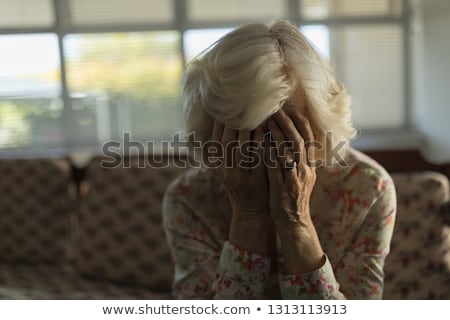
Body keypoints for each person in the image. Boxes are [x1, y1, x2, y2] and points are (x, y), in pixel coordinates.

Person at [162, 20, 396, 299]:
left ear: (321, 128)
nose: (267, 151)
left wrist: (296, 222)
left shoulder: (367, 188)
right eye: (247, 133)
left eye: (287, 132)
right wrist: (248, 217)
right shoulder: (188, 199)